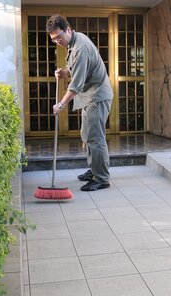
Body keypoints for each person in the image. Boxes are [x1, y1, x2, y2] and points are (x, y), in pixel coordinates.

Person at [46, 15, 113, 191]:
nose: (57, 41)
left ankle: (101, 178)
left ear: (67, 29)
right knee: (87, 134)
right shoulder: (75, 40)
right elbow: (78, 67)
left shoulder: (80, 48)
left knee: (95, 138)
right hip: (89, 96)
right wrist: (65, 72)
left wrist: (60, 104)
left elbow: (75, 87)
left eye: (59, 37)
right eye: (54, 39)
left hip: (97, 96)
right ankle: (93, 170)